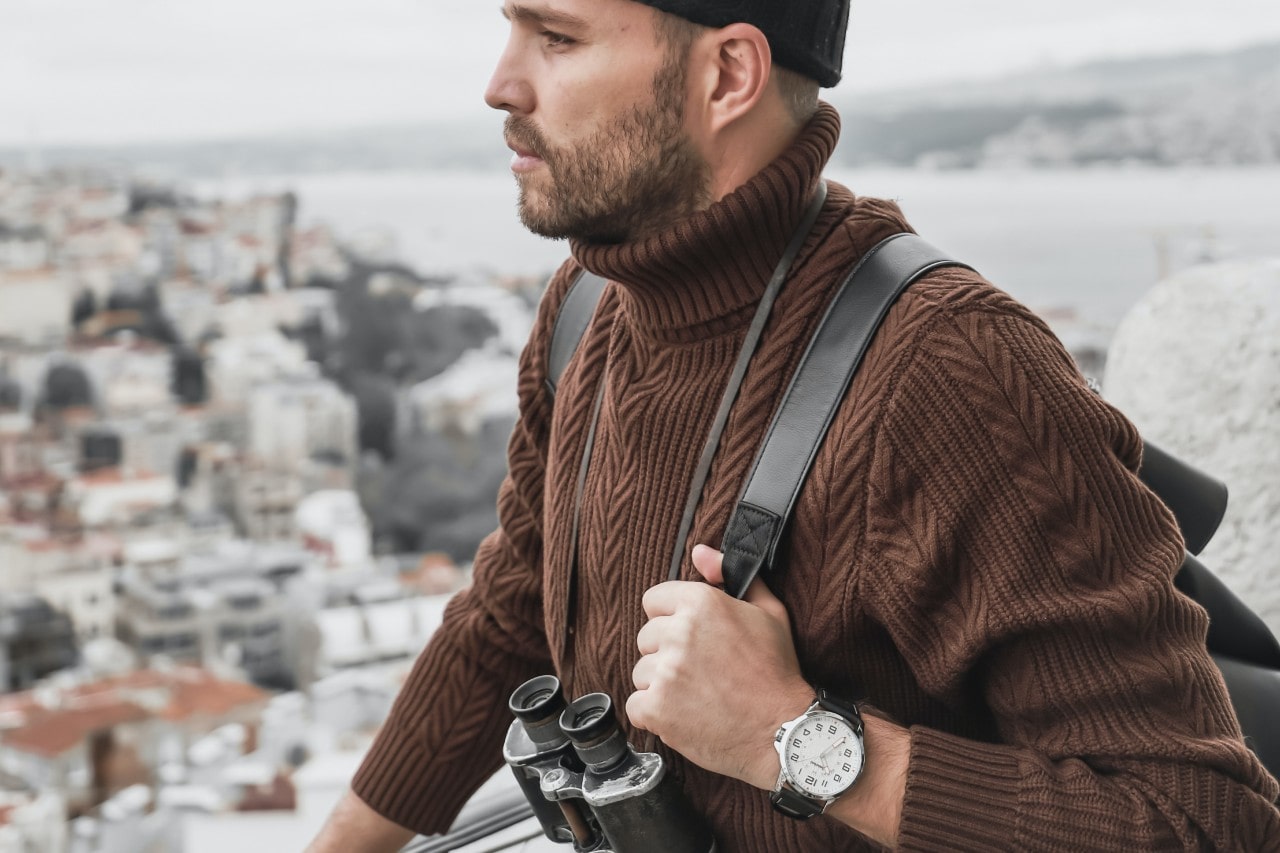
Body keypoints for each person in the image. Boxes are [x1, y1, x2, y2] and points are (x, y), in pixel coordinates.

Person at [308, 0, 1280, 849]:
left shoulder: (949, 370)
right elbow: (514, 605)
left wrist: (795, 738)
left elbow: (1200, 820)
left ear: (727, 72)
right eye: (508, 29)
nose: (499, 84)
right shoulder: (588, 308)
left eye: (555, 37)